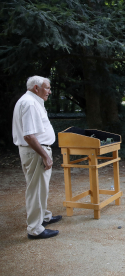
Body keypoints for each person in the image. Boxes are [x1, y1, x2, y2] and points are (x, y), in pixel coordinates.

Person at [12, 76, 62, 239]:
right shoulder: (30, 103)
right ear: (36, 88)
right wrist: (44, 155)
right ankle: (35, 229)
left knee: (40, 187)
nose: (49, 91)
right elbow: (29, 135)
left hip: (35, 151)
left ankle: (44, 217)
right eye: (47, 88)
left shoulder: (31, 101)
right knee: (36, 189)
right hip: (36, 152)